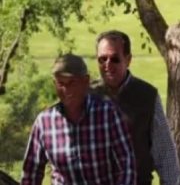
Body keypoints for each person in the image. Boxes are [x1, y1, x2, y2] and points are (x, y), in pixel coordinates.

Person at [21, 54, 136, 185]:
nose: (65, 89)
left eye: (71, 83)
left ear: (85, 81)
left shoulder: (107, 114)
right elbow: (30, 174)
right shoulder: (44, 123)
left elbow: (127, 165)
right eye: (60, 83)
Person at [91, 30, 180, 185]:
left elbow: (165, 155)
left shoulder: (147, 96)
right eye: (102, 59)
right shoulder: (87, 96)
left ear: (128, 59)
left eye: (115, 59)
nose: (107, 65)